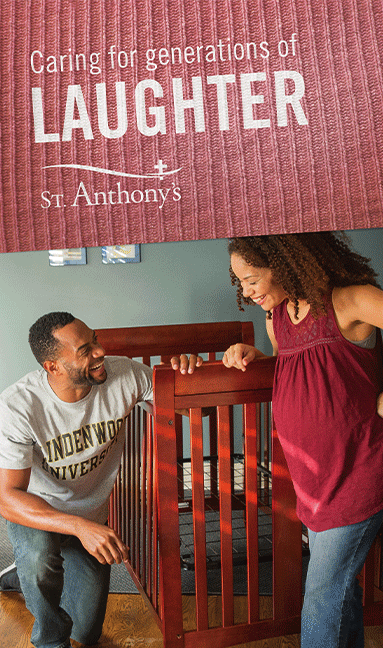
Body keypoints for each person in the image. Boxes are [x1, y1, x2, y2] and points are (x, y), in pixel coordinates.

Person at [0, 312, 201, 648]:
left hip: (92, 516)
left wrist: (191, 380)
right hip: (40, 514)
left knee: (86, 632)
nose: (100, 351)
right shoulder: (18, 406)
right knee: (39, 561)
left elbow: (196, 409)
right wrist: (78, 527)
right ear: (53, 367)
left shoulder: (126, 375)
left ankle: (19, 578)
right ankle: (49, 638)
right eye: (85, 349)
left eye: (95, 339)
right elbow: (7, 497)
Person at [222, 232, 383, 648]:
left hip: (360, 472)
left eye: (253, 278)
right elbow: (304, 366)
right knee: (340, 593)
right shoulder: (276, 318)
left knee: (321, 598)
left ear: (288, 261)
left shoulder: (351, 301)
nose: (247, 290)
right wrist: (261, 358)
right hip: (313, 480)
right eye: (240, 282)